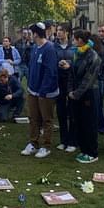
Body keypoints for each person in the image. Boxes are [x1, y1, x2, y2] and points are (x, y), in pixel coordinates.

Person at [21, 22, 59, 159]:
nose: (29, 35)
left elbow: (50, 72)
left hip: (45, 92)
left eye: (31, 33)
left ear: (36, 34)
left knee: (46, 119)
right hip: (33, 90)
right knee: (33, 117)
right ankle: (33, 143)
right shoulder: (35, 48)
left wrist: (44, 90)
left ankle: (46, 146)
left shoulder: (49, 49)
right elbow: (32, 68)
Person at [68, 29, 101, 164]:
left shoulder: (93, 56)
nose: (73, 41)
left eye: (74, 39)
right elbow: (71, 73)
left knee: (89, 123)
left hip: (89, 94)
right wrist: (70, 90)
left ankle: (92, 152)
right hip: (76, 93)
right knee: (79, 121)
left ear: (80, 40)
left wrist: (77, 93)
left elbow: (89, 79)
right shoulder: (76, 54)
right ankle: (83, 149)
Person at [53, 24, 75, 150]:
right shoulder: (54, 46)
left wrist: (69, 64)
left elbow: (77, 61)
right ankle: (63, 139)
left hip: (71, 80)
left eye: (61, 30)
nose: (58, 33)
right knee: (60, 110)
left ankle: (72, 141)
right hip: (59, 80)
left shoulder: (74, 46)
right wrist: (58, 63)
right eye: (57, 31)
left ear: (67, 32)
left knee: (72, 110)